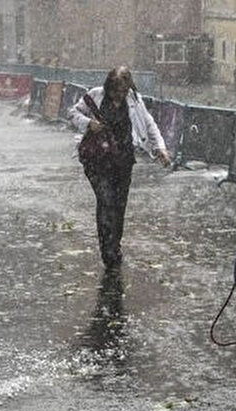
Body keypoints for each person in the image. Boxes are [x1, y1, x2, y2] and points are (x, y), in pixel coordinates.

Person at [69, 66, 172, 269]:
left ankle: (115, 244)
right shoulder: (95, 96)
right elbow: (72, 113)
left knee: (119, 205)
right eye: (115, 91)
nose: (118, 96)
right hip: (96, 161)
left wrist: (160, 148)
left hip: (123, 160)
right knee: (106, 200)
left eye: (122, 91)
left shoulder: (134, 100)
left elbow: (148, 123)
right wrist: (89, 123)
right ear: (108, 87)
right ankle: (107, 250)